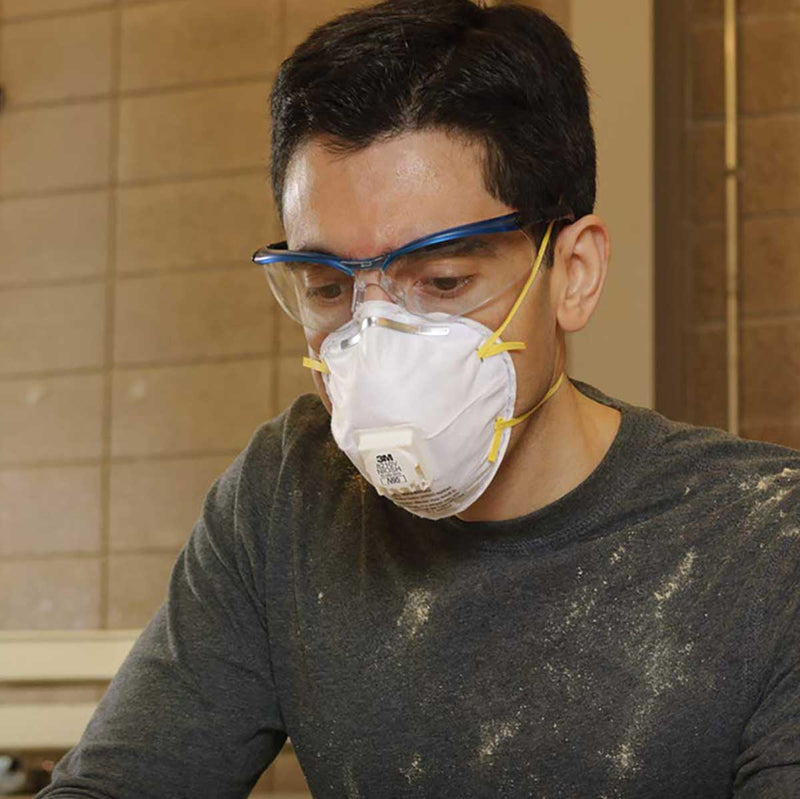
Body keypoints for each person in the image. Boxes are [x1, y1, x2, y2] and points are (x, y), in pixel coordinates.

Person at [39, 1, 799, 797]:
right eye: (328, 286)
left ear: (573, 273)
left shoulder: (768, 545)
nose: (378, 342)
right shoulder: (289, 495)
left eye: (442, 281)